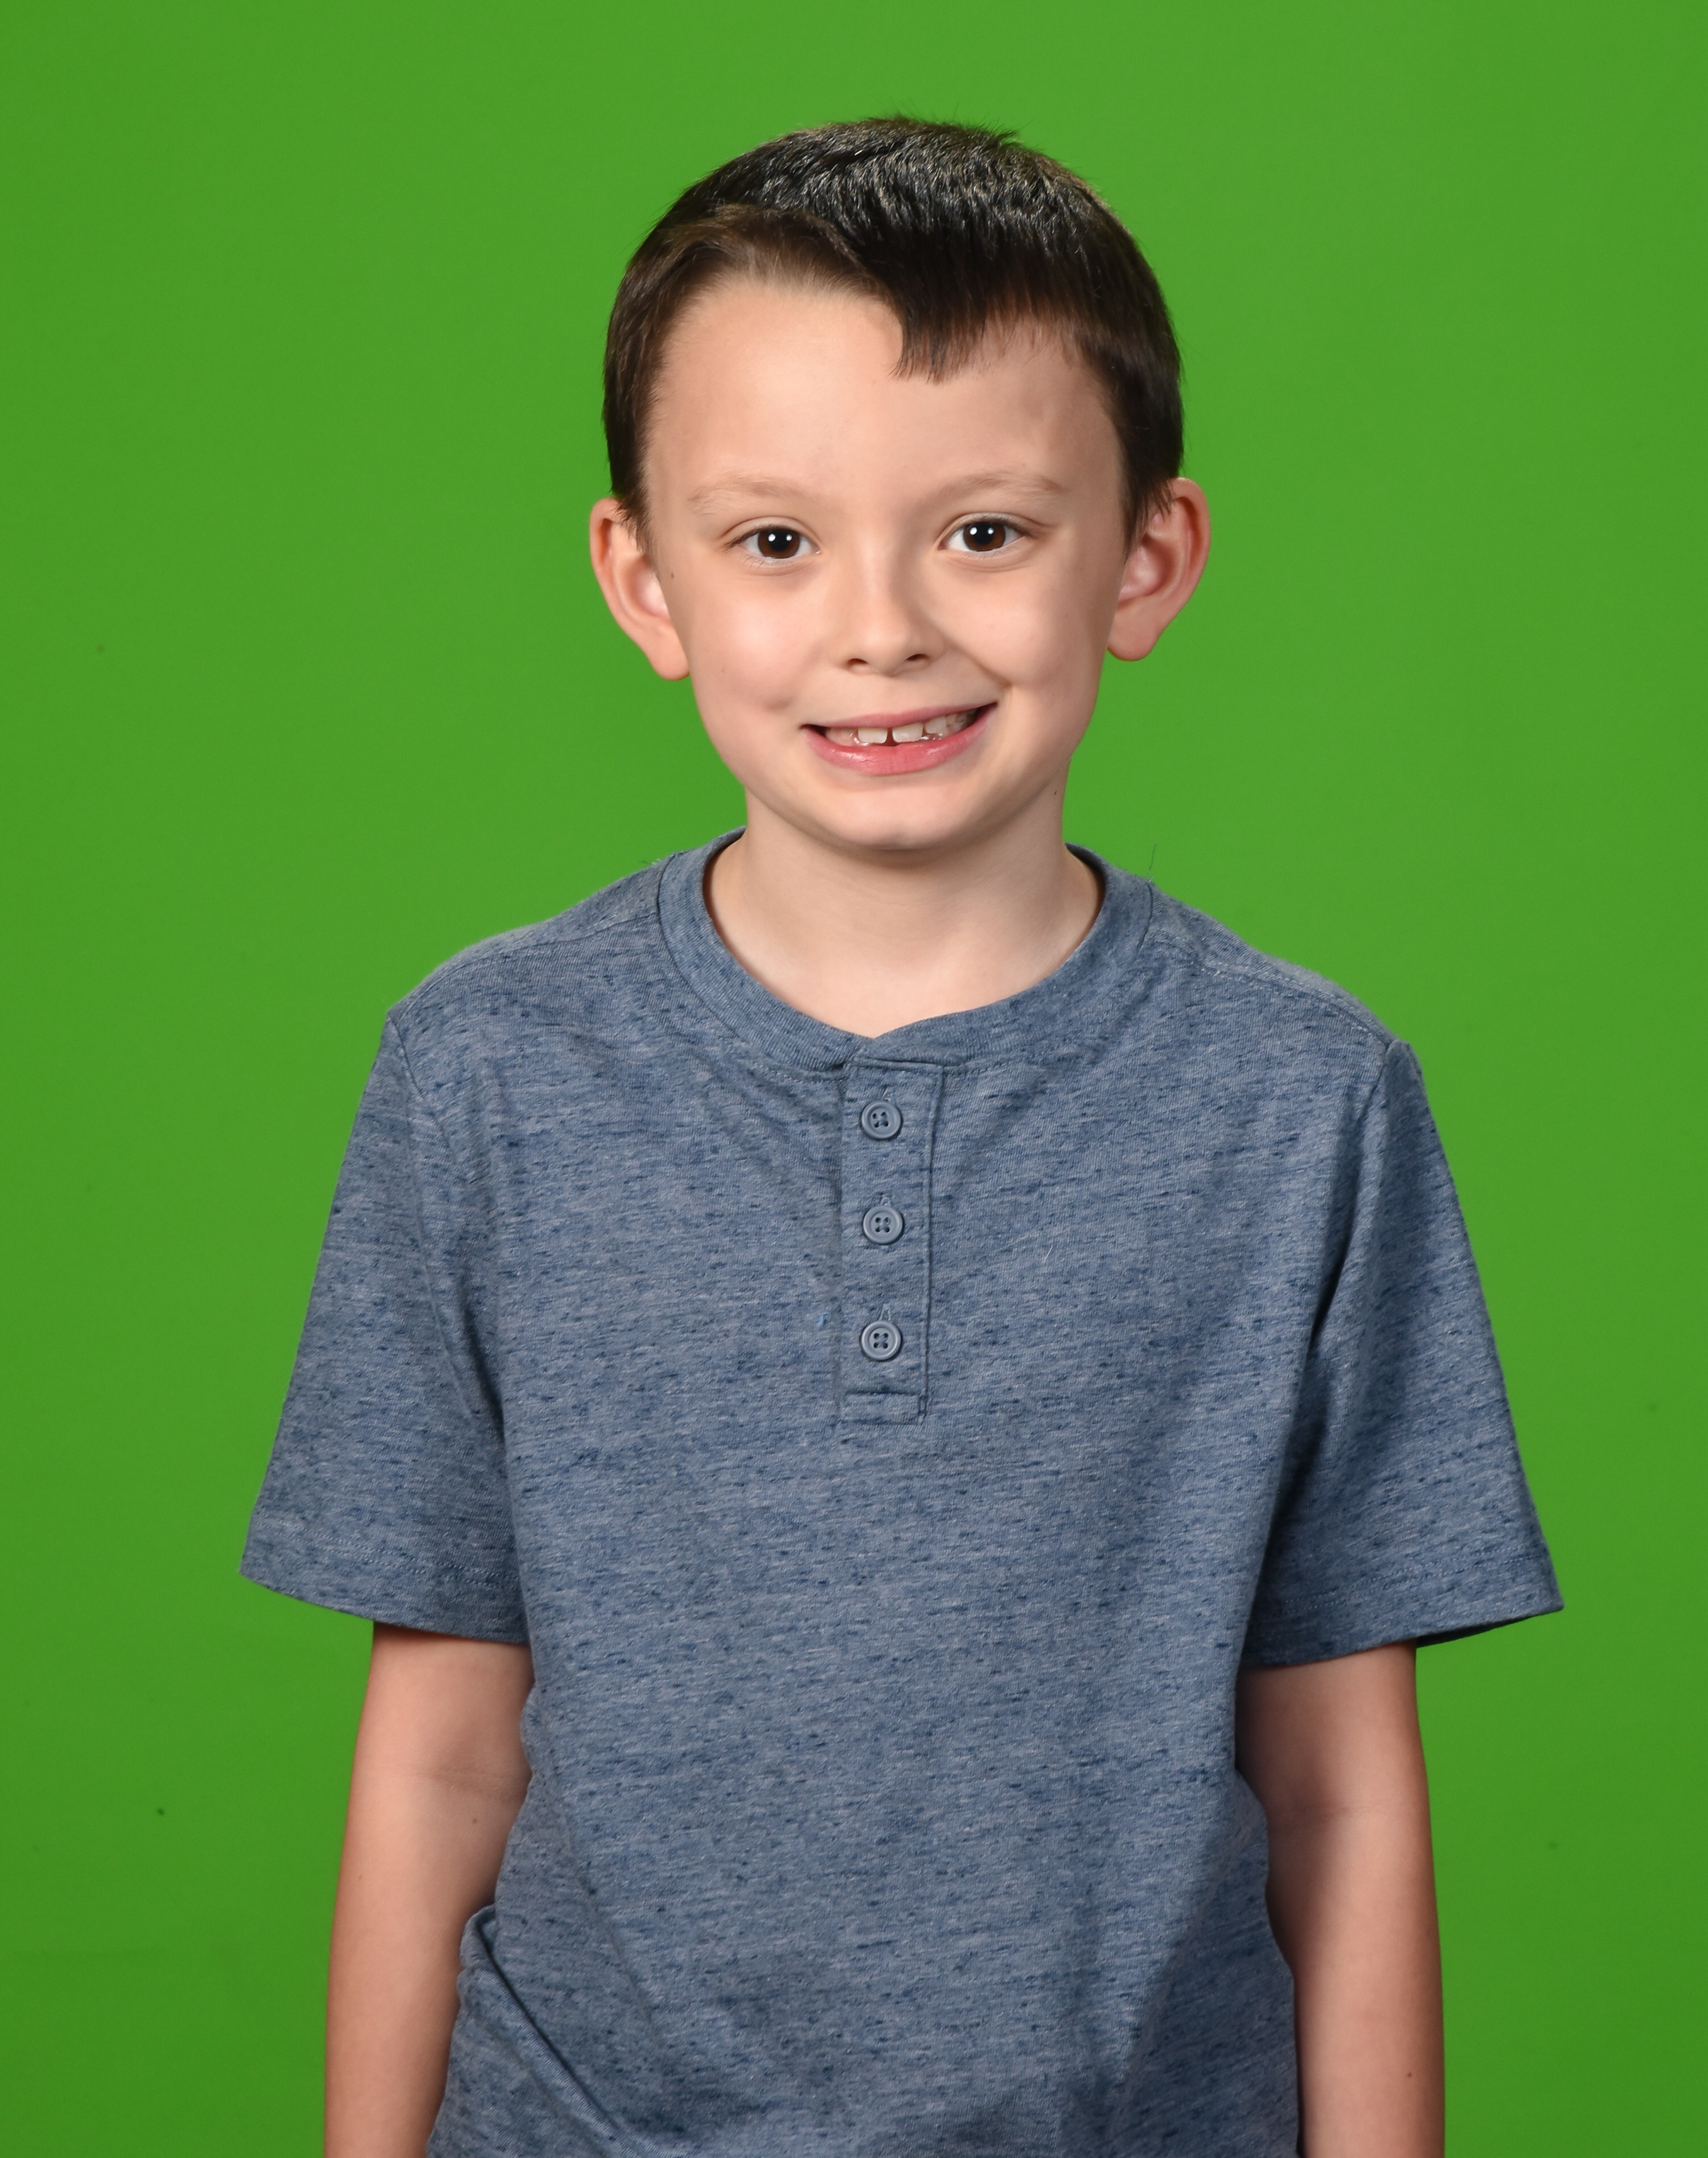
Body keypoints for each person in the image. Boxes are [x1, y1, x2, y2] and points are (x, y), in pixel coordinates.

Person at [243, 118, 1560, 2158]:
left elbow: (1342, 1787)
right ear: (644, 580)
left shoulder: (1304, 1102)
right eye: (776, 542)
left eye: (985, 532)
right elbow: (437, 1753)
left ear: (1148, 559)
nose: (883, 627)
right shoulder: (485, 1071)